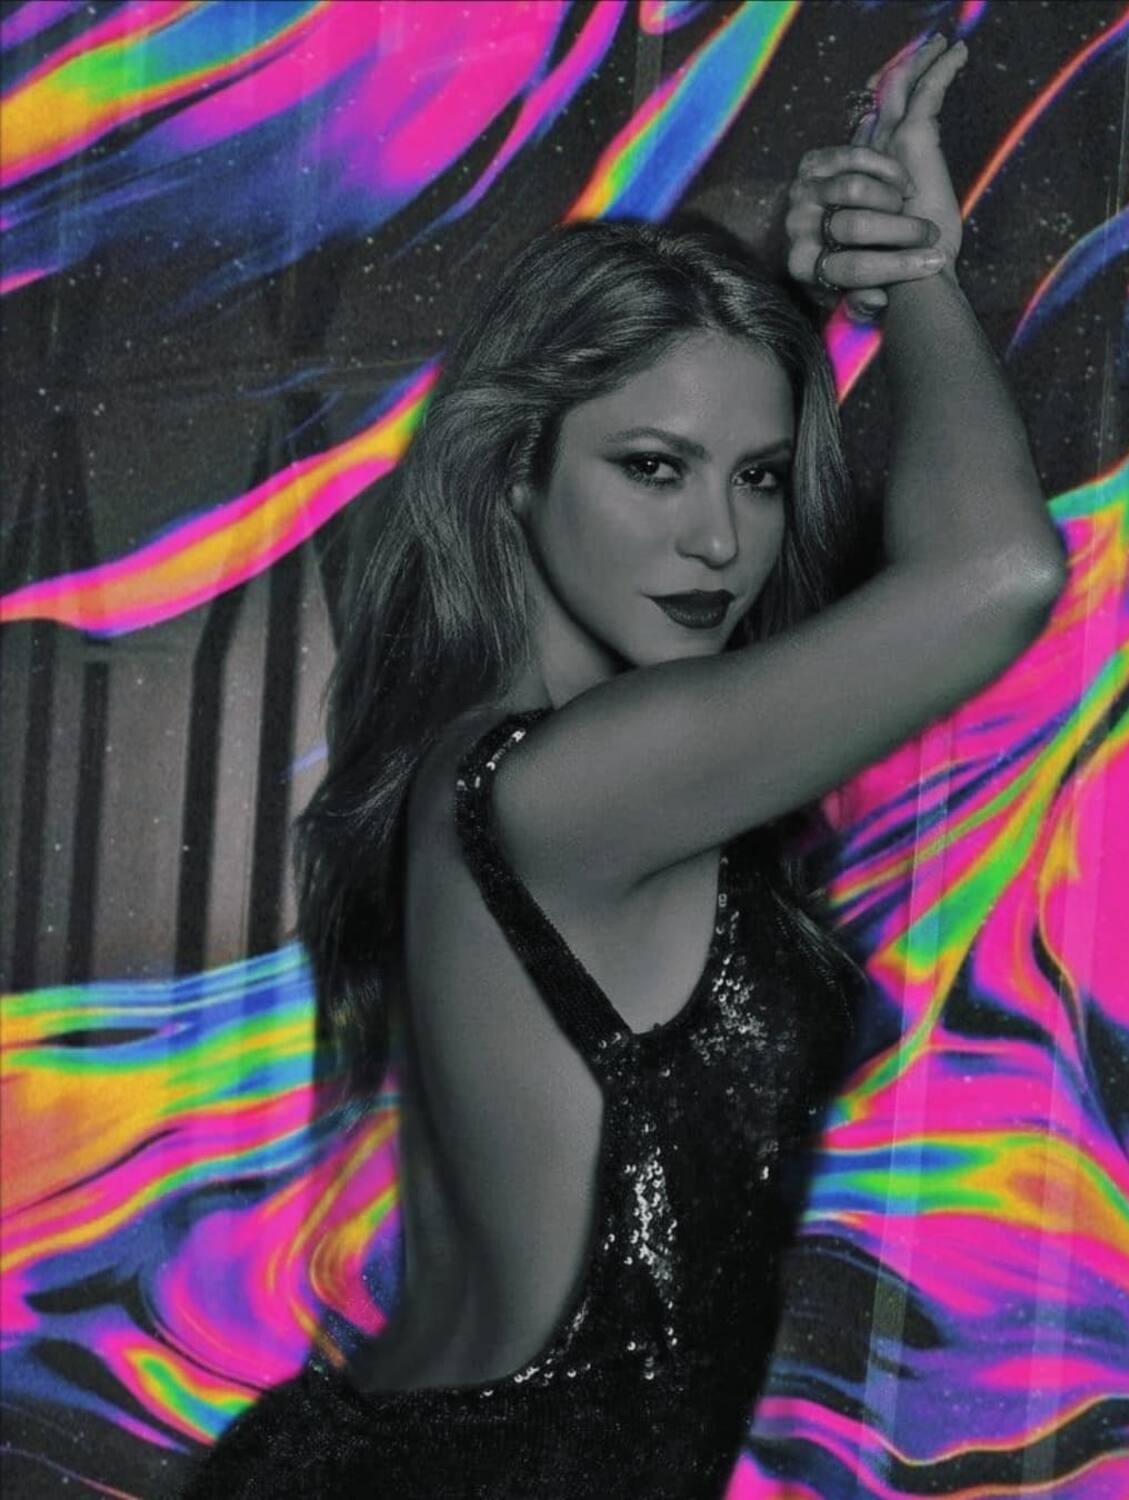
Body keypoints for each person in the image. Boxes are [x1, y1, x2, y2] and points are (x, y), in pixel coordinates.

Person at [184, 32, 1065, 1500]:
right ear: (519, 472)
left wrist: (815, 217)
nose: (719, 541)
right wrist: (913, 265)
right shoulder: (572, 789)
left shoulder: (489, 764)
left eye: (759, 476)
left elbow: (701, 249)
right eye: (652, 469)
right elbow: (1000, 572)